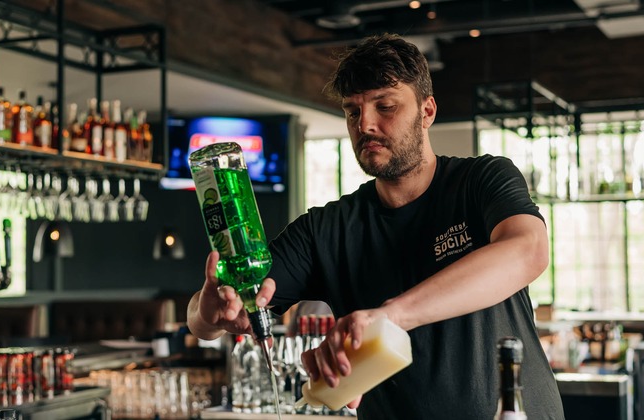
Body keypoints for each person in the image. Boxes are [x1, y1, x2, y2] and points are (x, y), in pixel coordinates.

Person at [187, 33, 564, 419]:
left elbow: (528, 250)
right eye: (353, 112)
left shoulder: (481, 180)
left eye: (385, 107)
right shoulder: (325, 229)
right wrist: (209, 312)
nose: (365, 124)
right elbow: (212, 316)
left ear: (427, 111)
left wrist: (391, 317)